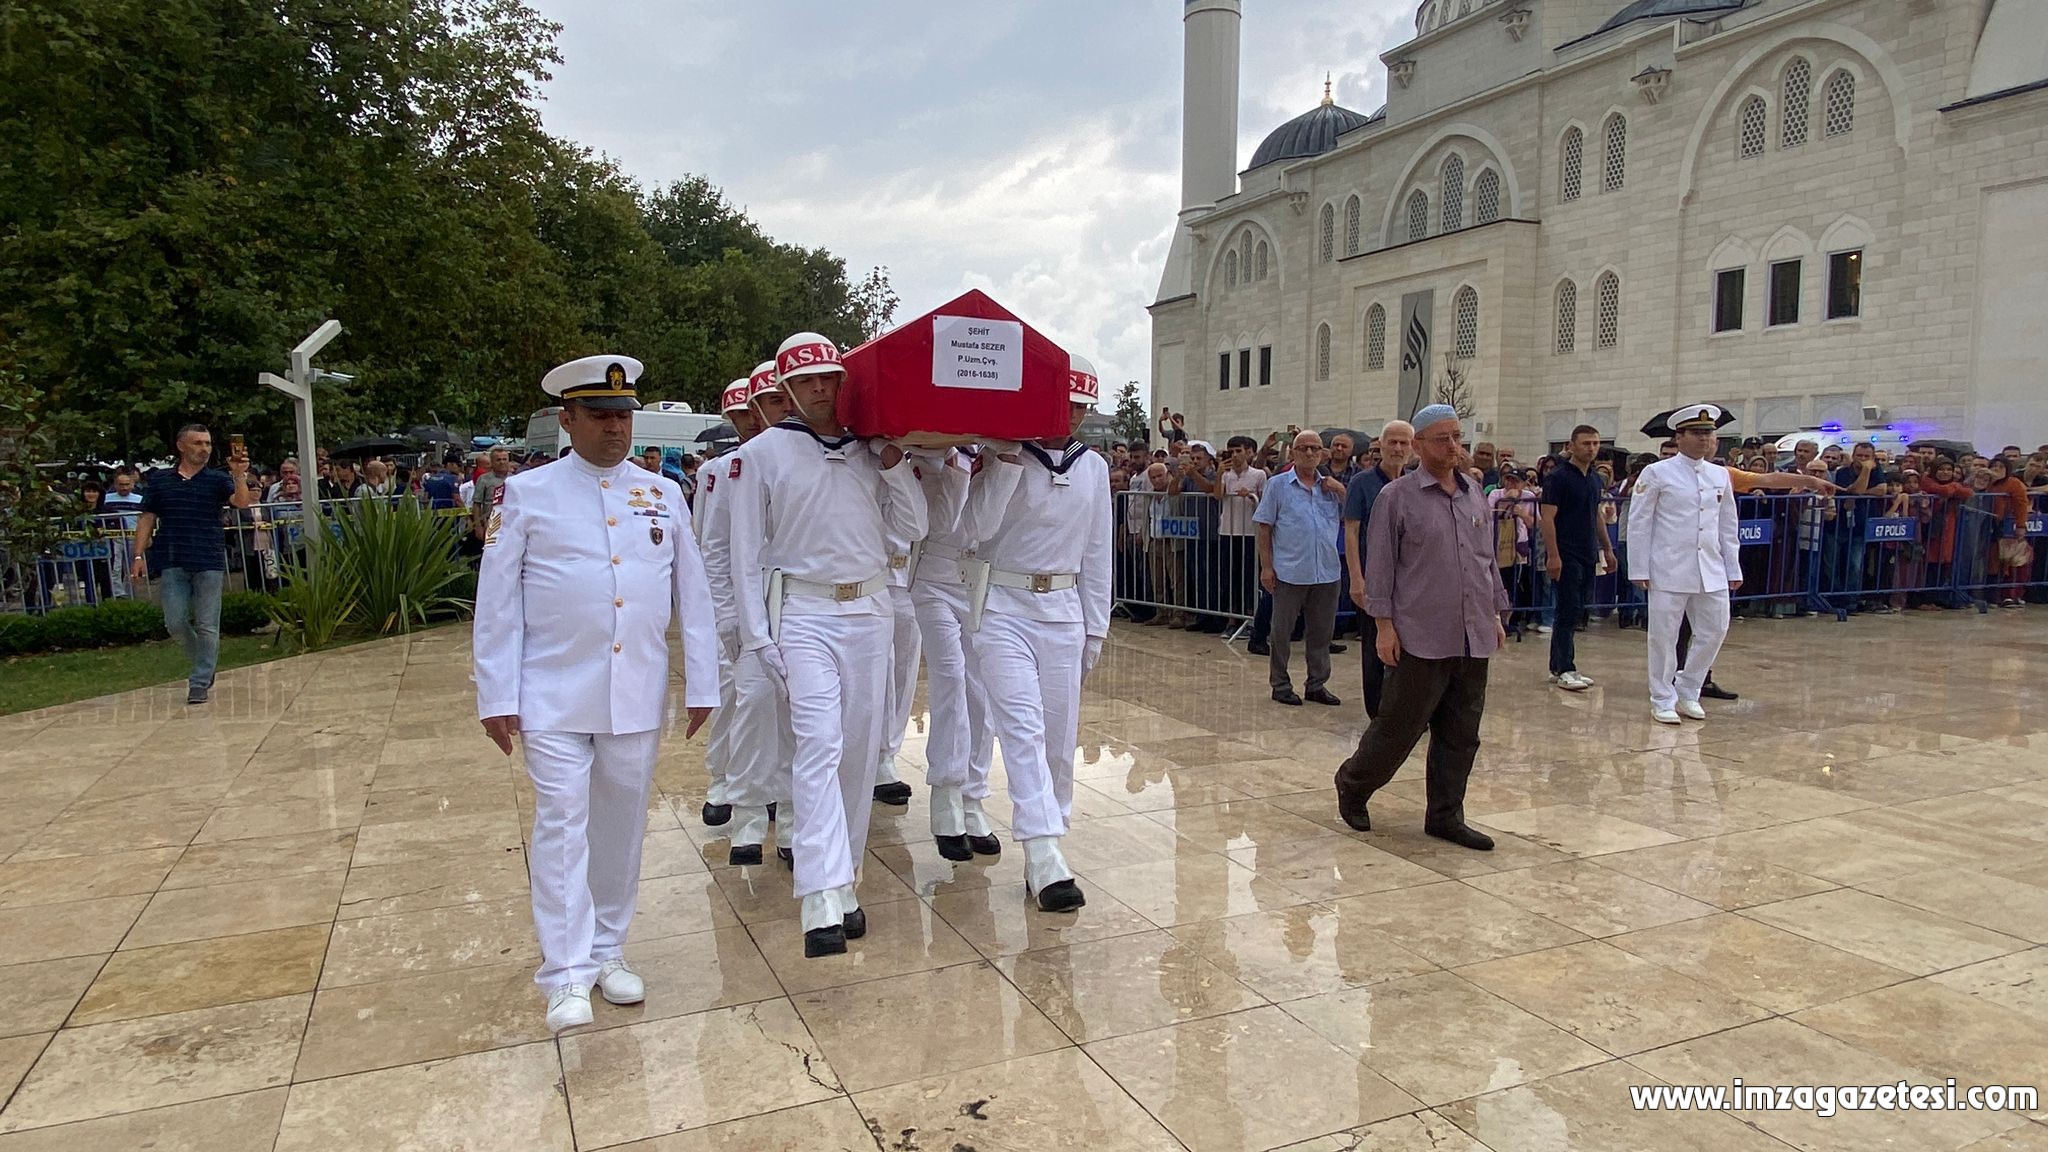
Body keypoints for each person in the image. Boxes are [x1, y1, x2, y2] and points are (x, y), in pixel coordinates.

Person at [474, 354, 717, 1034]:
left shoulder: (663, 492)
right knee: (561, 826)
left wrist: (702, 681)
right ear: (567, 419)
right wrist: (496, 693)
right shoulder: (526, 494)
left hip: (634, 692)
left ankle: (609, 950)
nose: (617, 429)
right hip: (551, 692)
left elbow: (691, 595)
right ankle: (566, 972)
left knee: (620, 829)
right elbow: (496, 602)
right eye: (602, 417)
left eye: (624, 416)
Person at [724, 331, 926, 957]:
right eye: (805, 381)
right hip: (802, 613)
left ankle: (847, 878)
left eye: (828, 378)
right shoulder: (762, 456)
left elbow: (913, 528)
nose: (819, 389)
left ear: (844, 382)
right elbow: (744, 553)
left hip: (868, 610)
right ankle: (819, 892)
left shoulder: (871, 452)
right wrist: (758, 636)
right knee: (818, 742)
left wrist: (894, 466)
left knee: (859, 752)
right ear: (784, 390)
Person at [960, 355, 1112, 910]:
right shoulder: (1002, 454)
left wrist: (1095, 626)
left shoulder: (1092, 469)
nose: (1069, 417)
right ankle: (1044, 853)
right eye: (1063, 403)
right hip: (1002, 604)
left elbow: (1098, 552)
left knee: (1058, 736)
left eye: (1080, 408)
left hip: (1064, 610)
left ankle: (1051, 838)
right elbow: (973, 530)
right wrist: (1000, 465)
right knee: (1020, 728)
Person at [1333, 404, 1504, 851]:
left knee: (1462, 732)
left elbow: (1486, 561)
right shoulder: (1398, 497)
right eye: (1443, 438)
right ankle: (1354, 783)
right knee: (1399, 727)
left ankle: (1446, 815)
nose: (1454, 446)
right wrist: (1384, 626)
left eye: (1457, 437)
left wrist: (1495, 613)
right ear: (1420, 446)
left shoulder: (1473, 493)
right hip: (1419, 633)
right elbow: (1383, 567)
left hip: (1471, 633)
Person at [1628, 404, 1740, 725]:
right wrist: (1639, 568)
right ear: (1679, 437)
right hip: (1669, 567)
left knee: (1715, 628)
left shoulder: (1719, 474)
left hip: (1710, 567)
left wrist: (1732, 568)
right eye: (1697, 433)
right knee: (1664, 636)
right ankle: (1662, 696)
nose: (1705, 439)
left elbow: (1726, 525)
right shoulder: (1657, 473)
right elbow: (1640, 522)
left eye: (1709, 433)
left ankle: (1689, 688)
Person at [130, 426, 256, 702]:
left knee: (207, 624)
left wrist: (239, 475)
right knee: (174, 622)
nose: (205, 448)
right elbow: (146, 518)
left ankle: (199, 679)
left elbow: (241, 503)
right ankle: (204, 660)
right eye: (198, 443)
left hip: (208, 558)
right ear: (181, 446)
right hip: (172, 558)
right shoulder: (161, 481)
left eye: (208, 443)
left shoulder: (217, 479)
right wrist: (138, 555)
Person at [1254, 429, 1347, 707]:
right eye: (1303, 448)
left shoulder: (1331, 487)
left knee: (1321, 632)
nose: (1309, 453)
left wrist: (1342, 491)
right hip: (1290, 570)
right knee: (1282, 631)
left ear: (1323, 454)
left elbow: (1352, 518)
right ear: (1293, 452)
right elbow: (1264, 527)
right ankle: (1280, 684)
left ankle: (1317, 683)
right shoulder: (1279, 485)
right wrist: (1266, 567)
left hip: (1326, 571)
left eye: (1314, 448)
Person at [1540, 425, 1618, 692]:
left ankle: (1558, 664)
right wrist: (1553, 555)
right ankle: (1565, 667)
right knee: (1567, 608)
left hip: (1587, 551)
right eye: (1586, 443)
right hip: (1566, 551)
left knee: (1579, 609)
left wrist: (1607, 548)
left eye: (1596, 443)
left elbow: (1596, 515)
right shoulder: (1558, 478)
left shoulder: (1595, 479)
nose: (1592, 448)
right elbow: (1547, 518)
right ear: (1571, 445)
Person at [1342, 420, 1412, 717]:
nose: (1397, 448)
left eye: (1403, 443)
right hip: (1373, 577)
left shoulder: (1415, 484)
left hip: (1409, 580)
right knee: (1374, 647)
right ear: (1380, 446)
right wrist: (1357, 578)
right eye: (1392, 442)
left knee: (1409, 648)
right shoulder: (1362, 483)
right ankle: (1378, 713)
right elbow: (1351, 531)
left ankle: (1405, 711)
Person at [1217, 435, 1266, 633]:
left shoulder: (1259, 474)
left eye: (1239, 451)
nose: (1235, 455)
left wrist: (1251, 498)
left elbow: (1264, 502)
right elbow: (1218, 495)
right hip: (1228, 530)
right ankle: (1231, 619)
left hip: (1249, 532)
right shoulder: (1226, 475)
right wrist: (1220, 474)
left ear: (1247, 452)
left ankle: (1250, 617)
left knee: (1248, 576)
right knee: (1230, 576)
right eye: (1231, 452)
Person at [471, 447, 513, 539]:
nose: (502, 462)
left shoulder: (515, 479)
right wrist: (478, 526)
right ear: (492, 462)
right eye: (498, 460)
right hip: (490, 524)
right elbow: (477, 504)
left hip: (511, 524)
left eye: (504, 459)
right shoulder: (483, 479)